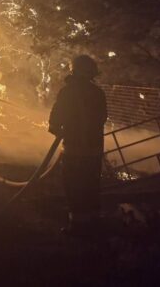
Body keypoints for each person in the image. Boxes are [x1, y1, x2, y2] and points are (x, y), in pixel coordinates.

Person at [48, 55, 108, 235]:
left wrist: (56, 128)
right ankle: (94, 223)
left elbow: (56, 118)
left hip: (73, 150)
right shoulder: (98, 93)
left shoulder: (67, 92)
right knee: (91, 185)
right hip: (94, 150)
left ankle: (78, 226)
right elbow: (102, 118)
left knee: (74, 185)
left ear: (73, 70)